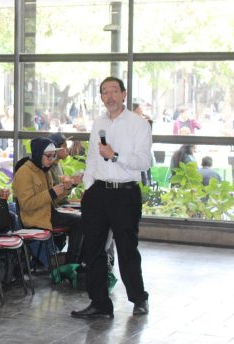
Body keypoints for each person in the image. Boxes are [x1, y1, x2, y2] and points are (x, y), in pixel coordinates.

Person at [71, 76, 151, 319]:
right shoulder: (98, 123)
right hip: (98, 193)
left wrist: (115, 155)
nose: (110, 96)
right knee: (92, 250)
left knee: (127, 249)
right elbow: (93, 159)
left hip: (125, 193)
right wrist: (88, 186)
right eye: (104, 92)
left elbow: (143, 162)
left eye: (114, 91)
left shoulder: (138, 124)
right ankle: (99, 303)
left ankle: (138, 298)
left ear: (124, 94)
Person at [13, 137, 83, 264]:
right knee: (79, 222)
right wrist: (51, 193)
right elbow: (26, 204)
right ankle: (72, 263)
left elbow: (52, 199)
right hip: (35, 218)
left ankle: (76, 261)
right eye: (49, 156)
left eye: (54, 156)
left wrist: (69, 187)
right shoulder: (24, 172)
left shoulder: (44, 171)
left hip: (48, 213)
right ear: (39, 154)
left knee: (83, 219)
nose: (52, 159)